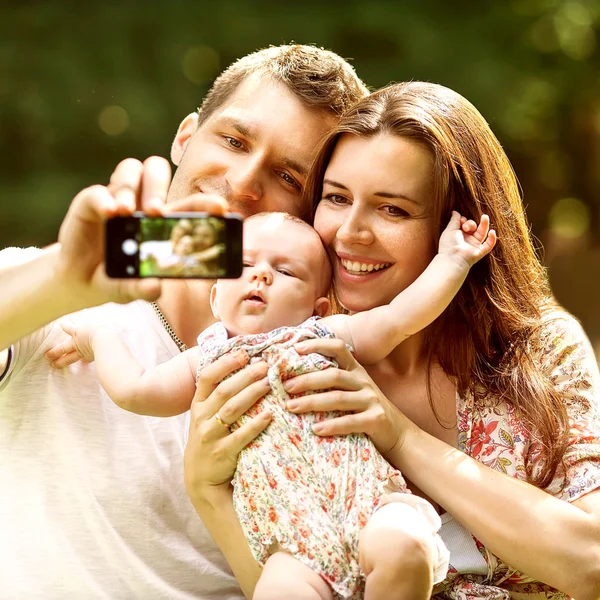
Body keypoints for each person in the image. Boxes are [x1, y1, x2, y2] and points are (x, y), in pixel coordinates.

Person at [182, 81, 600, 600]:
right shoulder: (288, 347)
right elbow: (125, 255)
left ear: (458, 225)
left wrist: (399, 436)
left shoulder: (538, 350)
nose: (351, 232)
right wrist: (208, 492)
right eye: (335, 198)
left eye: (393, 209)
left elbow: (592, 564)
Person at [0, 44, 369, 600]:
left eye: (289, 178)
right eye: (234, 141)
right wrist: (65, 279)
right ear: (185, 137)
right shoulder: (53, 299)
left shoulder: (316, 375)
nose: (244, 182)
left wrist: (210, 495)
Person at [46, 209, 496, 598]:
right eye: (242, 265)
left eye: (286, 272)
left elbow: (401, 318)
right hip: (290, 534)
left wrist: (454, 259)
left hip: (367, 498)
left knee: (403, 550)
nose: (260, 275)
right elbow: (138, 390)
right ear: (214, 295)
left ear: (318, 308)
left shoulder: (322, 336)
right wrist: (97, 338)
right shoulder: (206, 357)